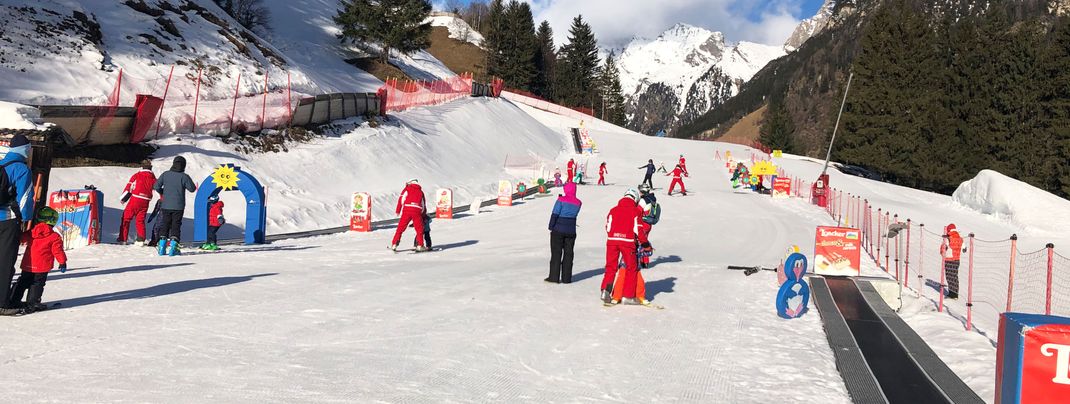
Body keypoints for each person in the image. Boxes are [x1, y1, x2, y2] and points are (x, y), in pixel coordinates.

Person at [4, 207, 66, 315]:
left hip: (28, 265)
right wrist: (62, 262)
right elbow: (58, 251)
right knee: (37, 283)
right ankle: (32, 302)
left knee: (22, 282)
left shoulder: (32, 232)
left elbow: (21, 238)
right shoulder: (54, 237)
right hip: (42, 267)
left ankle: (13, 299)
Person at [0, 134, 35, 315]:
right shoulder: (21, 169)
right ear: (25, 150)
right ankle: (2, 302)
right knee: (5, 261)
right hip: (7, 220)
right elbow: (25, 198)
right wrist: (28, 219)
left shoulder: (1, 164)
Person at [600, 189, 648, 305]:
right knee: (631, 268)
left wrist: (614, 236)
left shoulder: (613, 210)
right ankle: (628, 296)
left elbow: (608, 227)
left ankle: (605, 291)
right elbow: (639, 230)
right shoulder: (635, 211)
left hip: (612, 241)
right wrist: (645, 244)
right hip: (628, 242)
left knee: (611, 267)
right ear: (635, 199)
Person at [153, 156, 197, 254]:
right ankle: (173, 247)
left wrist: (162, 192)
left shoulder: (165, 174)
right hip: (179, 206)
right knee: (175, 225)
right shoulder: (184, 176)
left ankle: (162, 247)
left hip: (166, 205)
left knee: (165, 224)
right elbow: (192, 189)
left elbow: (156, 186)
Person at [547, 182, 581, 284]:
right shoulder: (579, 202)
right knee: (569, 254)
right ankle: (567, 278)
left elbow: (555, 213)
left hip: (558, 230)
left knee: (556, 254)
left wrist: (551, 226)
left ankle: (554, 277)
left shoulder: (561, 200)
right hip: (571, 231)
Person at [118, 159, 156, 245]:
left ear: (142, 166)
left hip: (135, 199)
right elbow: (157, 188)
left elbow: (129, 187)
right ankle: (141, 239)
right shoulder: (153, 178)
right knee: (140, 220)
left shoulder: (137, 175)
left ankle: (123, 238)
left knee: (126, 218)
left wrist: (123, 199)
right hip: (145, 201)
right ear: (150, 168)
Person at [390, 179, 427, 252]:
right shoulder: (421, 192)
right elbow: (423, 204)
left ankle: (394, 244)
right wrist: (423, 214)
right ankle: (420, 245)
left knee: (400, 228)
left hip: (407, 210)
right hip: (417, 211)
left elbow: (401, 200)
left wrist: (398, 210)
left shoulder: (407, 189)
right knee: (419, 229)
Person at [941, 223, 965, 299]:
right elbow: (964, 248)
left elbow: (944, 248)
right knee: (955, 276)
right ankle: (955, 293)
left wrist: (942, 250)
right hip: (957, 260)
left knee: (949, 276)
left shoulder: (948, 238)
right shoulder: (960, 238)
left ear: (948, 230)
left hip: (949, 259)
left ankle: (952, 293)